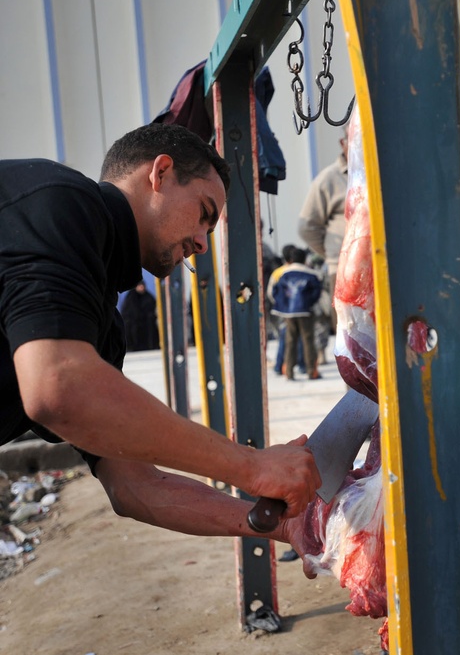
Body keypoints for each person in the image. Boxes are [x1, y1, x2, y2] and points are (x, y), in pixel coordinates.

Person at [0, 124, 321, 567]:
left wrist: (283, 526)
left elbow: (134, 487)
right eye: (204, 213)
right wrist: (252, 466)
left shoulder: (99, 327)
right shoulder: (60, 203)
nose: (201, 245)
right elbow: (57, 387)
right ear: (162, 173)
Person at [298, 130, 348, 333]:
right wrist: (333, 255)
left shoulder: (382, 170)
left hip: (383, 265)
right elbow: (307, 227)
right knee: (350, 335)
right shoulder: (329, 179)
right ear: (343, 142)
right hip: (344, 269)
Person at [267, 245, 324, 380]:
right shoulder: (312, 274)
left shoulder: (283, 274)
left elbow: (274, 292)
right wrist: (309, 303)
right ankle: (312, 371)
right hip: (306, 312)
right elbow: (317, 293)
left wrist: (283, 306)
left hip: (288, 314)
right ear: (304, 259)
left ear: (291, 259)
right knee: (308, 341)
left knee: (290, 341)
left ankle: (289, 372)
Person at [120, 280, 160, 351]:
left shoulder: (148, 297)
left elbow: (152, 309)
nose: (141, 288)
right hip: (133, 322)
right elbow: (126, 312)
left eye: (143, 286)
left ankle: (151, 345)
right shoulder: (131, 298)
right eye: (140, 286)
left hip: (146, 322)